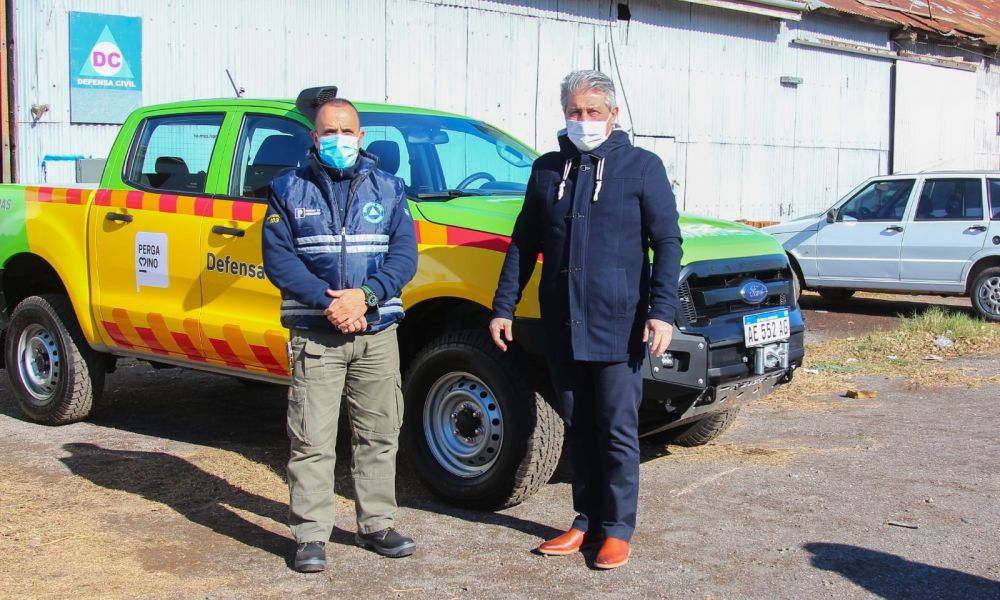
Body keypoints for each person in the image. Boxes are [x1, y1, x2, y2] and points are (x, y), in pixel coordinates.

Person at [489, 70, 682, 570]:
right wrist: (504, 306)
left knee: (616, 426)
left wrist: (662, 311)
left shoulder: (642, 167)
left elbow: (667, 244)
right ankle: (585, 519)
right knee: (578, 425)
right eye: (574, 112)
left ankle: (617, 528)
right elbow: (523, 243)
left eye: (593, 111)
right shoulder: (549, 170)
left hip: (620, 323)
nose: (583, 121)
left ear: (613, 115)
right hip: (563, 321)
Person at [262, 86, 418, 573]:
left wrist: (365, 297)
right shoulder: (287, 189)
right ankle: (310, 536)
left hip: (376, 331)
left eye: (346, 131)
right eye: (329, 131)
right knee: (312, 438)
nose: (339, 139)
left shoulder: (390, 189)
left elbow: (404, 257)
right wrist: (327, 302)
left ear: (360, 135)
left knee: (379, 433)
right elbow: (279, 259)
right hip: (316, 333)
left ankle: (377, 526)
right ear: (314, 136)